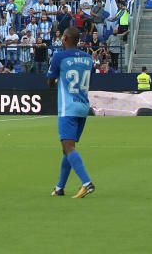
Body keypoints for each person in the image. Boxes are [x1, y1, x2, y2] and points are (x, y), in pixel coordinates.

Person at [48, 27, 95, 198]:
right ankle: (60, 187)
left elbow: (50, 81)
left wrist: (54, 80)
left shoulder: (59, 56)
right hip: (83, 106)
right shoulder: (88, 58)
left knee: (68, 147)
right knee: (68, 149)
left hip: (68, 107)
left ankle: (86, 182)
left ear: (65, 38)